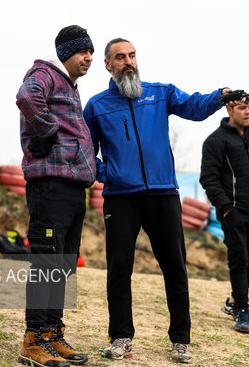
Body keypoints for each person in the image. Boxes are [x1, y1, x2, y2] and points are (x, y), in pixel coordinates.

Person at [83, 38, 232, 363]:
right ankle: (121, 337)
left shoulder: (160, 93)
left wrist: (220, 97)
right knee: (119, 267)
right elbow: (86, 152)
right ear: (108, 64)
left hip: (163, 193)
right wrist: (110, 173)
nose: (128, 62)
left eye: (132, 55)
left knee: (175, 267)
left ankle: (181, 340)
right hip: (120, 198)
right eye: (120, 57)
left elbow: (195, 106)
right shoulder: (96, 106)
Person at [15, 25, 96, 367]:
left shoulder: (69, 86)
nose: (89, 58)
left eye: (91, 52)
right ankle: (33, 340)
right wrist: (47, 132)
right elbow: (26, 96)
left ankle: (52, 334)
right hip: (51, 186)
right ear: (66, 53)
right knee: (47, 263)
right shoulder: (44, 73)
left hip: (73, 188)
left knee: (62, 266)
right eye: (83, 52)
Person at [199, 96, 249, 333]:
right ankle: (242, 309)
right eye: (242, 107)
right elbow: (208, 179)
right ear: (230, 108)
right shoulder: (215, 141)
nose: (248, 112)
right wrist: (224, 207)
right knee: (239, 258)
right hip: (233, 210)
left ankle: (233, 300)